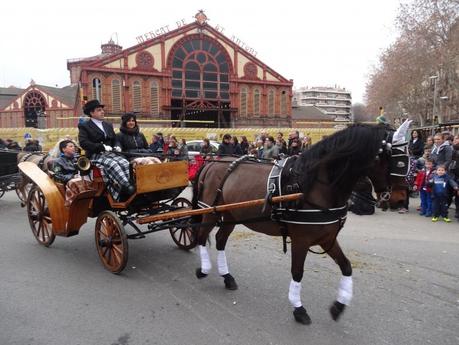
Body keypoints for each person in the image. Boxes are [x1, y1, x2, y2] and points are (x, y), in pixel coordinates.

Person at [78, 99, 133, 201]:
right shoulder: (84, 126)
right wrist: (100, 146)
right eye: (99, 110)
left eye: (102, 110)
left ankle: (128, 184)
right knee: (113, 164)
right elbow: (83, 143)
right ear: (91, 113)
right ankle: (126, 187)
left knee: (125, 163)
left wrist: (117, 146)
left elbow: (115, 139)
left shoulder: (108, 125)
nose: (102, 112)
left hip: (110, 153)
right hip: (96, 155)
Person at [53, 140, 93, 207]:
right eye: (71, 146)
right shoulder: (57, 161)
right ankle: (73, 203)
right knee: (75, 182)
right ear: (64, 149)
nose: (74, 148)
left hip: (79, 179)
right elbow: (57, 175)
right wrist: (72, 177)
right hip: (67, 183)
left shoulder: (78, 158)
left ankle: (90, 201)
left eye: (74, 146)